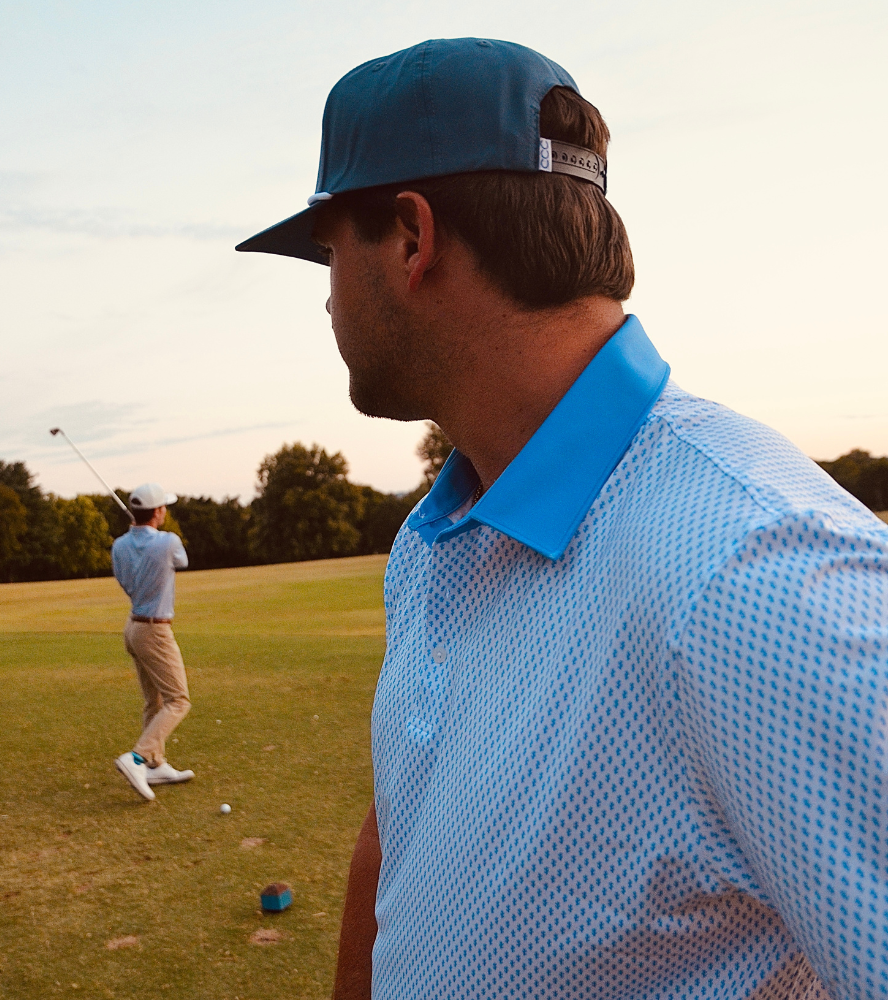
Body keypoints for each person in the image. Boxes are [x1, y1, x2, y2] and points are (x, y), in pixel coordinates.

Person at [236, 38, 888, 1000]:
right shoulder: (433, 543)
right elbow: (405, 831)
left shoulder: (755, 572)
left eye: (330, 252)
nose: (328, 297)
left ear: (412, 240)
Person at [111, 482, 194, 801]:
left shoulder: (119, 545)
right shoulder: (169, 541)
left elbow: (124, 581)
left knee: (154, 701)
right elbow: (182, 560)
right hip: (156, 631)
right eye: (164, 508)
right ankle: (136, 758)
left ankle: (155, 764)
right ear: (157, 512)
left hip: (132, 627)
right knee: (178, 700)